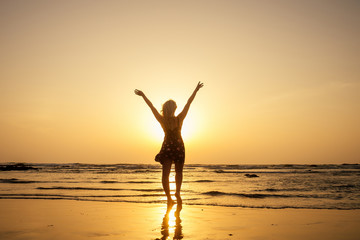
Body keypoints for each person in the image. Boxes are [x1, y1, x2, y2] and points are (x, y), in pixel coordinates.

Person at [134, 82, 204, 207]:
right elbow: (189, 103)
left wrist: (143, 95)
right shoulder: (179, 118)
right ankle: (177, 192)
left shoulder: (162, 120)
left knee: (165, 174)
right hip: (178, 147)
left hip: (167, 147)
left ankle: (169, 198)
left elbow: (152, 107)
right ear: (174, 109)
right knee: (179, 172)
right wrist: (196, 90)